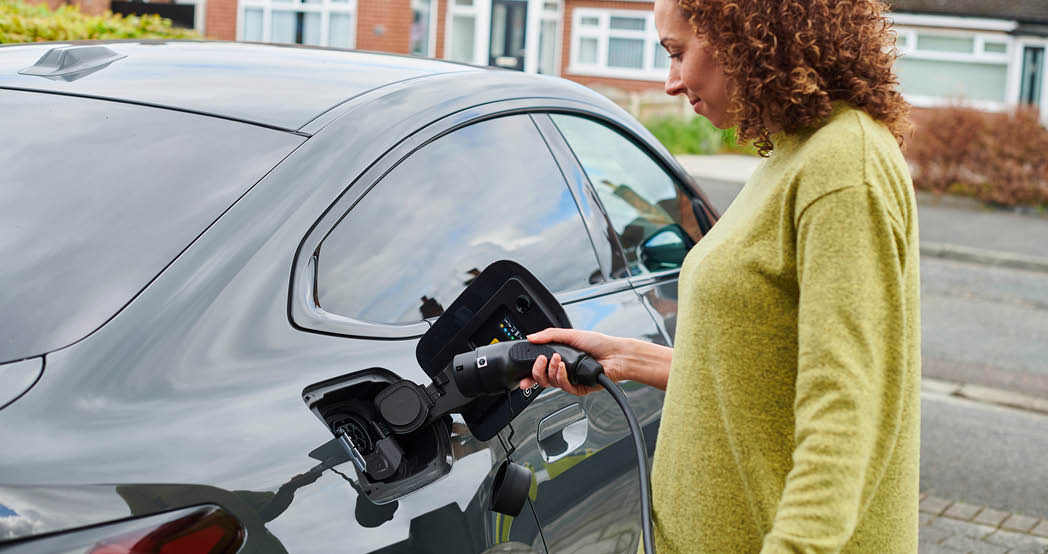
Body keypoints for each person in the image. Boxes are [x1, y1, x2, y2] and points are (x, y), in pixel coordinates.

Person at [519, 0, 920, 552]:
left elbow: (845, 411)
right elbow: (767, 369)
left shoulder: (842, 167)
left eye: (677, 52)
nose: (671, 82)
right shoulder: (794, 152)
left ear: (747, 33)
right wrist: (628, 358)